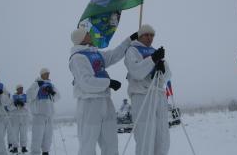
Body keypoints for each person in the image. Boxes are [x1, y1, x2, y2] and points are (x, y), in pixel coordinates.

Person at [69, 27, 135, 155]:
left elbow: (114, 54)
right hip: (89, 104)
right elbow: (86, 82)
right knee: (87, 144)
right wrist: (108, 83)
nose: (91, 34)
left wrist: (129, 40)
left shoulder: (96, 54)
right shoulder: (77, 58)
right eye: (87, 33)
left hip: (105, 101)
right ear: (82, 38)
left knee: (111, 143)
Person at [125, 24, 171, 155]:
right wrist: (152, 60)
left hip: (159, 95)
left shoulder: (155, 51)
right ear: (140, 36)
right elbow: (136, 72)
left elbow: (167, 76)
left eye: (152, 35)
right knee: (145, 136)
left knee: (162, 137)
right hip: (142, 95)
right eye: (146, 35)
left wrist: (163, 69)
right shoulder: (132, 51)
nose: (149, 38)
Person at [26, 68, 60, 155]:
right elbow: (29, 95)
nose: (48, 75)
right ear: (41, 74)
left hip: (49, 115)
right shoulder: (36, 84)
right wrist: (38, 86)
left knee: (48, 136)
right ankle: (35, 152)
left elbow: (58, 97)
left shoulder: (51, 84)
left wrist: (52, 92)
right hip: (38, 115)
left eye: (48, 73)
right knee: (37, 136)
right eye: (46, 73)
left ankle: (46, 151)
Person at [10, 84, 29, 154]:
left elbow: (29, 105)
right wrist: (15, 105)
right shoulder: (13, 97)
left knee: (24, 133)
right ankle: (15, 147)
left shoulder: (25, 96)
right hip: (15, 117)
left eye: (22, 88)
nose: (21, 89)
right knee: (15, 133)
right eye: (19, 88)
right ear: (17, 89)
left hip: (24, 117)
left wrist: (23, 104)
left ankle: (24, 147)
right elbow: (9, 107)